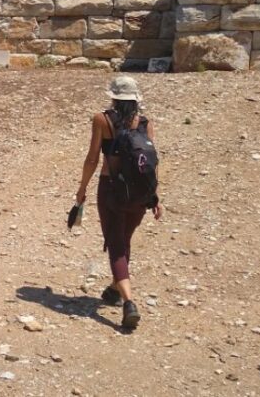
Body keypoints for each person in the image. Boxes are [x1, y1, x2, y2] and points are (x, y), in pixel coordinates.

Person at [75, 76, 162, 329]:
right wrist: (156, 197)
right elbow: (152, 163)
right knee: (124, 241)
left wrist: (81, 189)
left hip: (111, 189)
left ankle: (128, 302)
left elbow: (92, 159)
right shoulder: (145, 123)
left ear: (114, 96)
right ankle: (114, 287)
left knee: (115, 244)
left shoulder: (102, 120)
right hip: (139, 195)